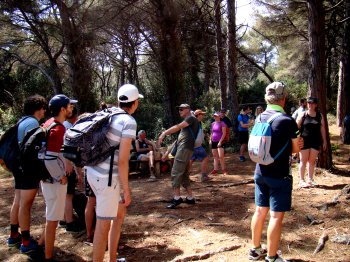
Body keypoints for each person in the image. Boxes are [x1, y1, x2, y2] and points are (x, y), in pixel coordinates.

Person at [86, 84, 142, 261]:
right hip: (107, 179)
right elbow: (124, 160)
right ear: (135, 103)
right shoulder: (129, 122)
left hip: (93, 172)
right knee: (103, 226)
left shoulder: (107, 114)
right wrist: (126, 190)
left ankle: (112, 258)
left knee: (118, 215)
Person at [249, 82, 303, 262]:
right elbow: (296, 149)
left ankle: (255, 250)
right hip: (279, 174)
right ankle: (272, 257)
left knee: (259, 212)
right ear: (284, 98)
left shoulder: (259, 117)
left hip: (259, 172)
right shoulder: (287, 120)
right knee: (275, 216)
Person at [7, 95, 47, 254]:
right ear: (38, 109)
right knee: (26, 204)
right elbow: (33, 149)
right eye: (43, 108)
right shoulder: (32, 123)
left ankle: (14, 235)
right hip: (27, 169)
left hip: (18, 167)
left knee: (18, 200)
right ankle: (25, 242)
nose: (45, 111)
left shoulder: (22, 121)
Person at [41, 94, 77, 260]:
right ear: (62, 109)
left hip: (46, 179)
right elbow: (49, 158)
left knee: (51, 215)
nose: (71, 109)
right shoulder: (58, 129)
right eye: (69, 106)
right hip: (53, 180)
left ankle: (42, 243)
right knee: (53, 220)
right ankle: (48, 256)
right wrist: (61, 176)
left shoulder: (48, 123)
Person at [157, 103, 199, 209]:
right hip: (184, 148)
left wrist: (164, 133)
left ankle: (177, 198)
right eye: (178, 109)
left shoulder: (191, 118)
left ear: (188, 110)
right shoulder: (186, 125)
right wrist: (167, 153)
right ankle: (190, 198)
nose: (179, 111)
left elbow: (178, 127)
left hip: (184, 149)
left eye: (181, 109)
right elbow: (177, 141)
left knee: (175, 172)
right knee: (184, 174)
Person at [62, 106, 85, 232]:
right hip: (66, 166)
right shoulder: (68, 128)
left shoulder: (61, 125)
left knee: (63, 195)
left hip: (59, 165)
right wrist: (78, 172)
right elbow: (71, 152)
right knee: (68, 196)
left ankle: (64, 218)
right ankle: (70, 222)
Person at [296, 97, 327, 188]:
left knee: (312, 161)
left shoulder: (319, 115)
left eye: (312, 103)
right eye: (309, 103)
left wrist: (324, 141)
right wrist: (297, 139)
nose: (310, 105)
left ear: (316, 105)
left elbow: (322, 129)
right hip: (304, 141)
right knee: (303, 160)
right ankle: (301, 180)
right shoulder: (303, 114)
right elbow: (296, 127)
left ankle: (310, 179)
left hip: (315, 141)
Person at [191, 109, 210, 182]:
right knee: (191, 160)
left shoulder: (199, 123)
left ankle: (203, 176)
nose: (203, 115)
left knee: (204, 158)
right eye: (202, 114)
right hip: (194, 146)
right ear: (198, 115)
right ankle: (186, 177)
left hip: (197, 145)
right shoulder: (194, 123)